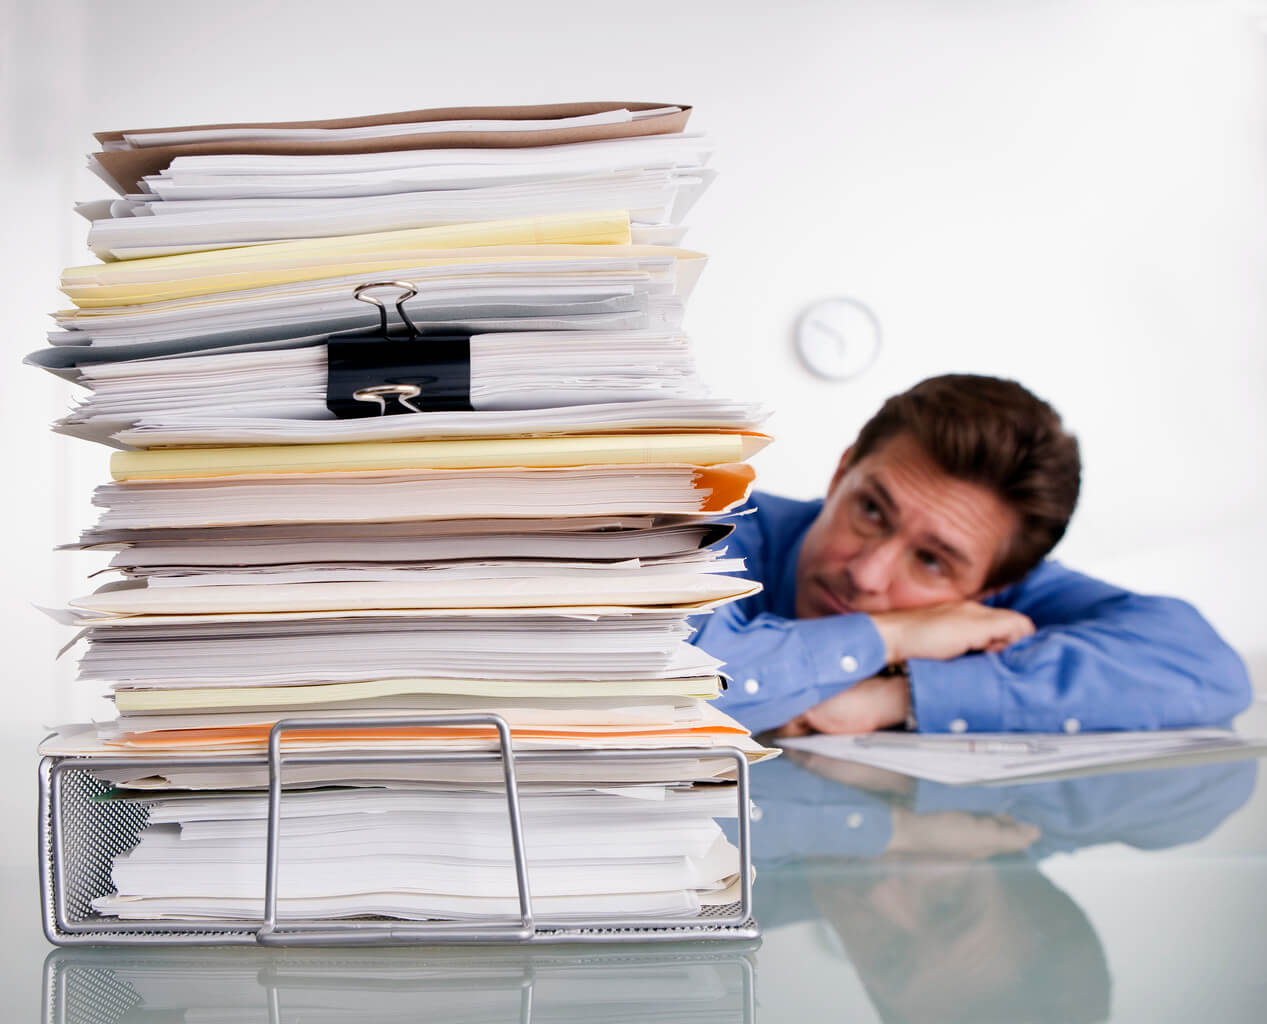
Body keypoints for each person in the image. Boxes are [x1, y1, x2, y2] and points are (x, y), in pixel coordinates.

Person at [694, 374, 1252, 735]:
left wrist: (900, 696)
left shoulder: (998, 597)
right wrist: (894, 636)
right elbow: (670, 689)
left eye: (932, 562)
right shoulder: (708, 523)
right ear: (843, 471)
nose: (867, 573)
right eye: (870, 511)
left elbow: (1206, 669)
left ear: (989, 590)